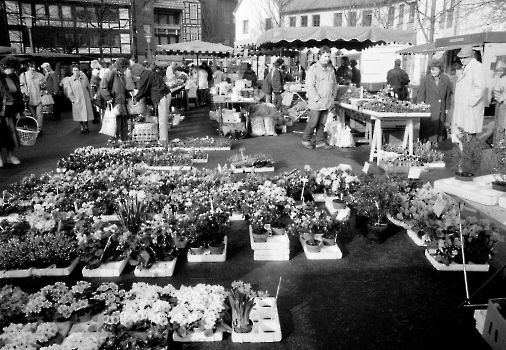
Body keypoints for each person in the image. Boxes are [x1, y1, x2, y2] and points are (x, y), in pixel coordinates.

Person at [302, 46, 338, 150]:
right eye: (325, 56)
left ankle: (320, 142)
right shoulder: (313, 70)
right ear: (319, 56)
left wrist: (333, 96)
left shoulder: (330, 70)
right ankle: (306, 140)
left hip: (327, 102)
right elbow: (310, 86)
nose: (327, 58)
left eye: (328, 56)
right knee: (313, 122)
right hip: (316, 102)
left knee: (322, 123)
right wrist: (317, 99)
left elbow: (334, 84)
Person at [452, 45, 487, 137]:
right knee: (462, 134)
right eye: (461, 58)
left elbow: (480, 87)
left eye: (465, 57)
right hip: (463, 108)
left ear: (471, 56)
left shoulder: (476, 67)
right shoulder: (466, 67)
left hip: (470, 108)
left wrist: (470, 101)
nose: (462, 60)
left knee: (469, 135)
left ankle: (468, 151)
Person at [132, 63, 171, 142]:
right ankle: (162, 139)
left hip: (161, 96)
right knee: (162, 120)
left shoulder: (145, 75)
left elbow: (142, 89)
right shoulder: (149, 73)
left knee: (162, 120)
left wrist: (136, 98)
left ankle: (163, 141)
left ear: (137, 71)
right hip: (164, 95)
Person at [416, 59, 452, 143]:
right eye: (432, 69)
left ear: (440, 69)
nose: (433, 71)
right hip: (429, 109)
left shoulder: (446, 79)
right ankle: (426, 147)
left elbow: (448, 94)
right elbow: (421, 94)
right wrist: (421, 107)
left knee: (439, 130)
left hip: (440, 108)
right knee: (428, 131)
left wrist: (447, 108)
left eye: (435, 69)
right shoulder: (425, 79)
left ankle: (437, 147)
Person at [0, 56, 24, 166]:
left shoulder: (14, 77)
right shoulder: (0, 78)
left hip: (11, 109)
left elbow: (18, 95)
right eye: (12, 68)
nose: (14, 71)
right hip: (1, 110)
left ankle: (10, 156)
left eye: (15, 69)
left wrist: (20, 110)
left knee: (11, 133)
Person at [99, 57, 130, 140]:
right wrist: (108, 98)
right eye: (126, 67)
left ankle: (123, 143)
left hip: (121, 103)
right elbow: (103, 86)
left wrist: (128, 94)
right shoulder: (112, 73)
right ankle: (114, 145)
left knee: (123, 126)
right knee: (115, 126)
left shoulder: (121, 75)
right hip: (115, 103)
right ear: (122, 66)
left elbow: (121, 89)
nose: (126, 69)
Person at [66, 64, 94, 134]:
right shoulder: (70, 80)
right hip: (77, 99)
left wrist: (91, 97)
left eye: (77, 70)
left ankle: (87, 126)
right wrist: (73, 100)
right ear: (72, 71)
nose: (76, 72)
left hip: (85, 98)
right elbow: (69, 91)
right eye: (74, 70)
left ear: (79, 71)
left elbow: (89, 88)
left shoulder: (84, 78)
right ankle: (82, 127)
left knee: (86, 113)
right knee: (79, 114)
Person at [19, 61, 45, 133]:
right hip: (29, 98)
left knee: (39, 113)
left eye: (34, 66)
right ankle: (35, 126)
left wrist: (43, 86)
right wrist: (25, 93)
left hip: (39, 97)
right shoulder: (23, 75)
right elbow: (22, 86)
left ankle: (39, 128)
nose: (33, 68)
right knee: (33, 115)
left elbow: (44, 85)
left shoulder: (40, 75)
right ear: (28, 67)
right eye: (31, 67)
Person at [489, 72, 506, 148]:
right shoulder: (503, 79)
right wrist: (501, 100)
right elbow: (495, 90)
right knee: (501, 126)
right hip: (504, 105)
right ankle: (499, 145)